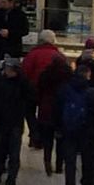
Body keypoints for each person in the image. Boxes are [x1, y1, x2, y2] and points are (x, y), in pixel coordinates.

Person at [58, 57, 94, 185]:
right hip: (88, 131)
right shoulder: (92, 93)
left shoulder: (65, 89)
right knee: (88, 160)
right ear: (88, 75)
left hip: (69, 130)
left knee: (70, 161)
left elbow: (57, 109)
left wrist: (58, 127)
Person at [22, 29, 71, 176]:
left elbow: (25, 72)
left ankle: (35, 135)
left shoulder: (33, 54)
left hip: (35, 92)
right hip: (55, 100)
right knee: (56, 131)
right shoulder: (61, 57)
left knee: (30, 113)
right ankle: (59, 165)